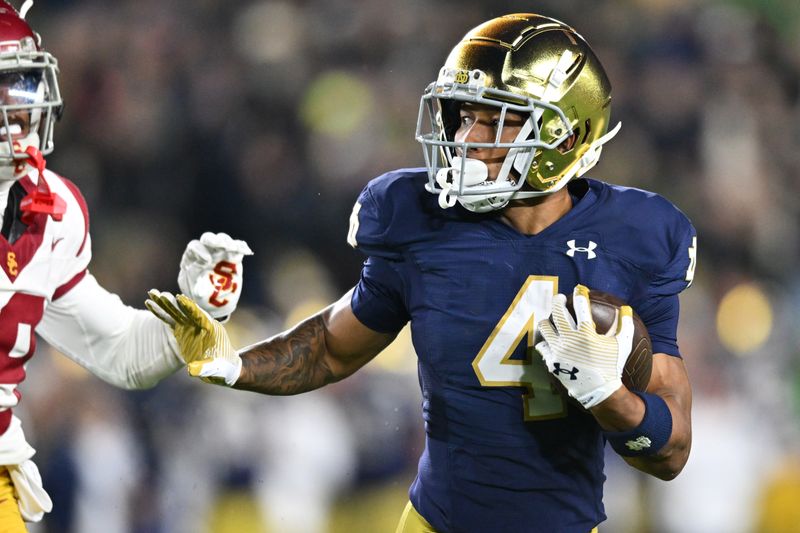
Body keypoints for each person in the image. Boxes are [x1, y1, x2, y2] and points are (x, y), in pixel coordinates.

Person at [148, 13, 696, 533]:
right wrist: (230, 364)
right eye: (464, 117)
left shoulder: (638, 237)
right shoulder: (419, 218)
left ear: (566, 138)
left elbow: (671, 453)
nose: (464, 139)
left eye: (497, 120)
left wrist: (606, 395)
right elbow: (332, 349)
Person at [0, 2, 252, 530]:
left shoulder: (51, 212)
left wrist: (190, 313)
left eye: (22, 85)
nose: (16, 109)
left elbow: (119, 353)